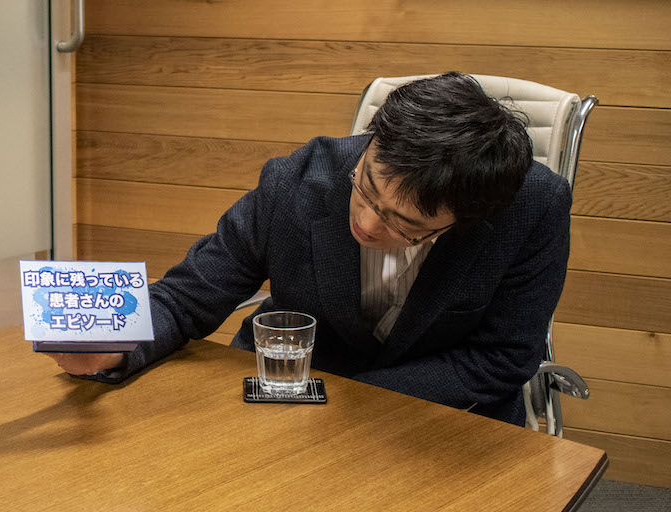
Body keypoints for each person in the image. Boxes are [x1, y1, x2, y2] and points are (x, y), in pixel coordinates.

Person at [48, 72, 571, 426]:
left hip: (437, 421)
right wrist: (115, 344)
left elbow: (500, 358)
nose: (366, 222)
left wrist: (351, 404)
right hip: (288, 402)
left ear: (466, 219)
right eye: (366, 187)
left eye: (404, 223)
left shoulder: (533, 210)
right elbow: (187, 297)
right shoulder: (297, 181)